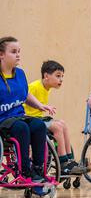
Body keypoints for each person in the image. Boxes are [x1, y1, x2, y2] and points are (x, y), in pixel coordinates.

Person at [0, 36, 55, 182]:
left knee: (38, 125)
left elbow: (25, 95)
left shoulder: (20, 73)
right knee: (22, 128)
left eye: (19, 51)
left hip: (18, 116)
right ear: (1, 55)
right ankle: (24, 170)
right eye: (13, 51)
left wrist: (40, 105)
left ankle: (37, 169)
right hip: (3, 120)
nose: (18, 54)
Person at [23, 60, 86, 175]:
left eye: (62, 76)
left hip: (38, 119)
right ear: (46, 76)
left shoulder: (46, 88)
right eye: (58, 76)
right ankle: (62, 163)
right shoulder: (34, 86)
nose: (61, 79)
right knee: (57, 127)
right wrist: (40, 106)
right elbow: (22, 101)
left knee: (63, 124)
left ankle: (69, 160)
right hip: (29, 120)